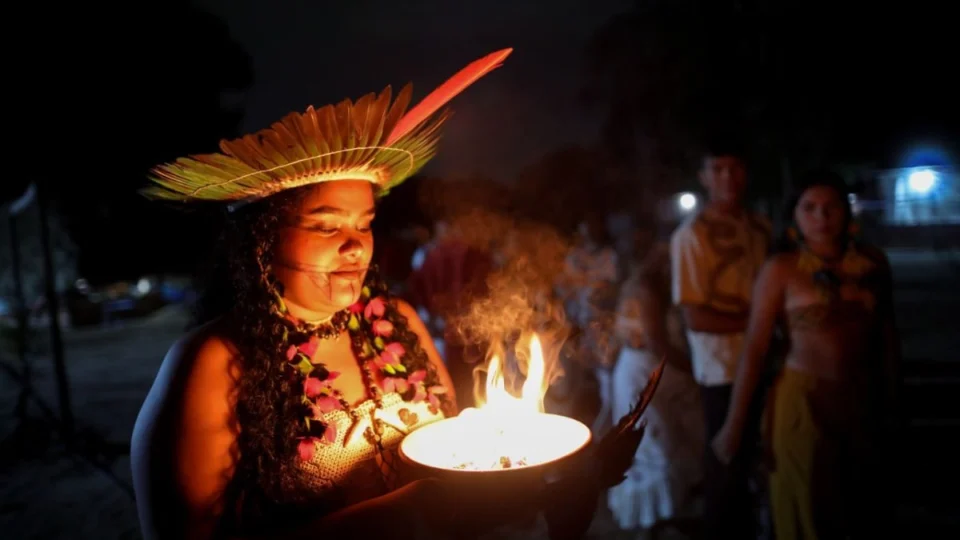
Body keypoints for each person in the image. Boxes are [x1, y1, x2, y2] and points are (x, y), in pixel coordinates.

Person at [130, 48, 646, 540]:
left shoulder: (397, 321)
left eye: (365, 224)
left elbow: (456, 462)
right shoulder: (214, 361)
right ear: (262, 242)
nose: (355, 245)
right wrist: (402, 515)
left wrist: (538, 483)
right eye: (327, 227)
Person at [712, 171, 902, 539]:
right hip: (802, 404)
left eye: (830, 207)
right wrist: (734, 426)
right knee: (807, 506)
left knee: (859, 506)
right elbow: (755, 347)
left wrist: (894, 401)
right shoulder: (781, 269)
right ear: (795, 215)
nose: (821, 217)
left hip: (860, 400)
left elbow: (888, 336)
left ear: (846, 212)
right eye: (809, 208)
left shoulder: (874, 263)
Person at [669, 141, 770, 538]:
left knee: (752, 461)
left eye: (735, 167)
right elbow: (696, 316)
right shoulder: (692, 235)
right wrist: (761, 321)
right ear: (704, 177)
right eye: (719, 169)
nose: (728, 177)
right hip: (722, 369)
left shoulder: (760, 226)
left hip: (764, 361)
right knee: (725, 461)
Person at [607, 221, 705, 534]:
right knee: (657, 449)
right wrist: (694, 372)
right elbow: (656, 341)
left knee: (660, 443)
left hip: (643, 369)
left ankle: (664, 517)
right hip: (644, 372)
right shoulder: (646, 288)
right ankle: (656, 520)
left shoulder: (649, 285)